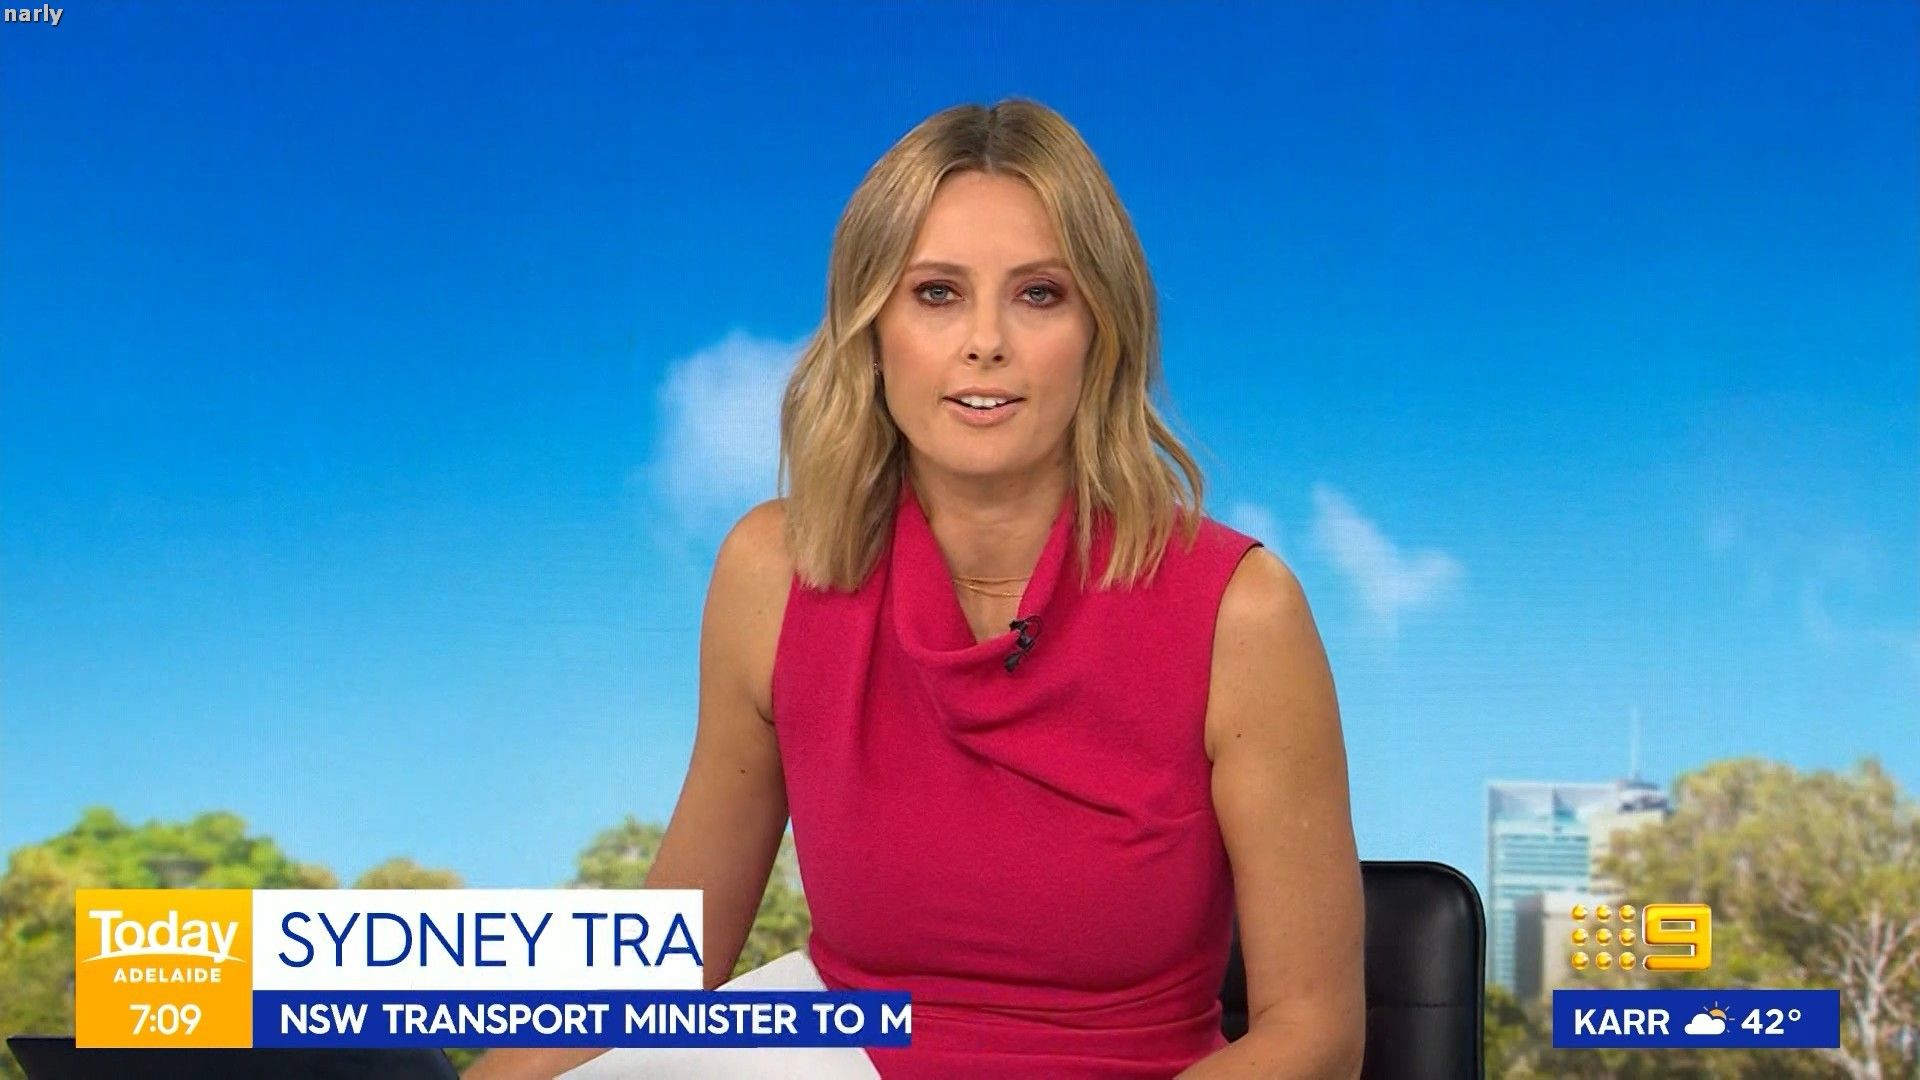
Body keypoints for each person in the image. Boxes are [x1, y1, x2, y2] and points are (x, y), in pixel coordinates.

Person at [465, 96, 1365, 1080]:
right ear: (872, 327)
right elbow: (663, 971)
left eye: (1039, 294)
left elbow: (1314, 1036)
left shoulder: (1242, 613)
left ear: (1101, 331)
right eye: (936, 293)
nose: (985, 341)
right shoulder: (774, 573)